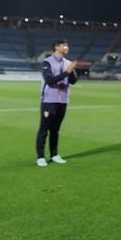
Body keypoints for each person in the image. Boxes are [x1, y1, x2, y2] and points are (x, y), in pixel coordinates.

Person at [35, 38, 78, 167]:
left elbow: (73, 81)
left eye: (67, 45)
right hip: (49, 101)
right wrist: (67, 72)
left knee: (55, 130)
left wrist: (72, 72)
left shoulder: (67, 63)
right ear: (56, 47)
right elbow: (49, 80)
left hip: (62, 101)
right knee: (44, 129)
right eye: (64, 45)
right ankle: (41, 156)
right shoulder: (47, 62)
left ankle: (54, 154)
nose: (66, 47)